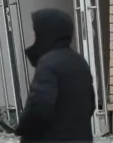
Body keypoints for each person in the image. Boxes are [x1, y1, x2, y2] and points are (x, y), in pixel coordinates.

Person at [14, 8, 95, 142]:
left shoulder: (48, 63)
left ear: (46, 33)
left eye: (36, 33)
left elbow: (39, 106)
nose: (34, 38)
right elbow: (90, 104)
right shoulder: (80, 62)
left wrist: (22, 127)